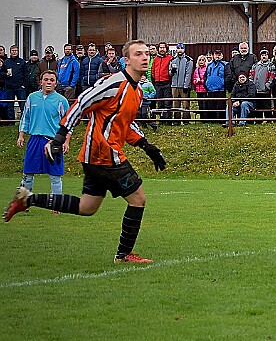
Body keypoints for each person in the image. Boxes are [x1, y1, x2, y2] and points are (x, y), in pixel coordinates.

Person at [3, 39, 167, 266]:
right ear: (126, 60)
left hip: (97, 157)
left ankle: (29, 200)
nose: (145, 57)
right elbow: (81, 102)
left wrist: (147, 146)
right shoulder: (114, 83)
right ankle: (123, 255)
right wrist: (60, 136)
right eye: (138, 53)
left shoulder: (136, 91)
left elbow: (125, 124)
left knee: (87, 207)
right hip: (105, 154)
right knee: (138, 199)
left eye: (146, 53)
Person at [16, 71, 70, 201]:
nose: (49, 82)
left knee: (55, 175)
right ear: (41, 82)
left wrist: (66, 141)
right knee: (28, 173)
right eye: (46, 79)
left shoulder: (62, 101)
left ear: (56, 83)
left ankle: (56, 204)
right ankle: (23, 202)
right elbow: (25, 117)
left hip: (53, 142)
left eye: (52, 80)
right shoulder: (32, 97)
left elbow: (68, 123)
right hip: (34, 139)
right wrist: (21, 135)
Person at [169, 44, 194, 125]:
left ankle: (186, 120)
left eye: (181, 48)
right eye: (178, 48)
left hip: (183, 85)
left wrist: (186, 85)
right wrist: (171, 72)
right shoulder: (173, 60)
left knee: (185, 104)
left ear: (184, 49)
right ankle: (176, 120)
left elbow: (188, 74)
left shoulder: (188, 60)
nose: (180, 50)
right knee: (175, 104)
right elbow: (169, 73)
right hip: (174, 85)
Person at [3, 45, 29, 120]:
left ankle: (24, 120)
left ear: (18, 52)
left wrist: (24, 85)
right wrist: (5, 75)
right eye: (13, 50)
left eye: (16, 51)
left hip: (20, 87)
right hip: (9, 87)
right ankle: (11, 122)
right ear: (10, 52)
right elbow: (1, 73)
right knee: (10, 106)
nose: (14, 52)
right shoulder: (6, 62)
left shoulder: (22, 62)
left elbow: (26, 74)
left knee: (22, 105)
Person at [250, 49, 275, 122]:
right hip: (256, 89)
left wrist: (268, 85)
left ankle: (269, 120)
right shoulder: (255, 65)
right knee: (258, 105)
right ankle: (258, 120)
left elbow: (272, 76)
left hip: (265, 90)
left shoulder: (270, 65)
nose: (264, 56)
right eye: (262, 55)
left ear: (268, 56)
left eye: (265, 55)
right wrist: (252, 84)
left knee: (266, 105)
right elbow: (251, 75)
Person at [150, 42, 172, 123]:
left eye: (163, 48)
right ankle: (162, 120)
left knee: (167, 103)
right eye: (160, 48)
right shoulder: (156, 59)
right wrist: (155, 78)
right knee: (160, 103)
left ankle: (168, 121)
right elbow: (153, 69)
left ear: (166, 49)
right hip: (157, 83)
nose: (162, 49)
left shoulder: (170, 58)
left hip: (166, 82)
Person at [205, 49, 228, 123]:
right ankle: (212, 120)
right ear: (213, 56)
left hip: (220, 89)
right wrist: (206, 84)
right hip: (210, 88)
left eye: (219, 55)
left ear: (222, 56)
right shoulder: (209, 65)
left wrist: (224, 84)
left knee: (221, 105)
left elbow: (228, 76)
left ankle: (221, 120)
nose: (217, 56)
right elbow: (206, 75)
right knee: (211, 105)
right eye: (216, 54)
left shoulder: (225, 64)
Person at [192, 54, 209, 122]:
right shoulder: (196, 70)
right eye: (200, 60)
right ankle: (201, 119)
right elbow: (194, 79)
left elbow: (206, 79)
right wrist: (196, 82)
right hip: (198, 89)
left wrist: (201, 81)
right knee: (200, 104)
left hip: (204, 89)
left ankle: (205, 119)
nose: (201, 61)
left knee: (205, 104)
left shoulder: (207, 69)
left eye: (203, 60)